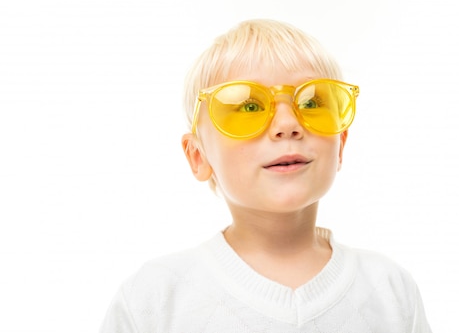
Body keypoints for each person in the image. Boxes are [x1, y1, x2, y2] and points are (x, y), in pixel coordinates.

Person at [100, 19, 432, 332]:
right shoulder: (154, 298)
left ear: (340, 144)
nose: (288, 124)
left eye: (313, 101)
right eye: (248, 106)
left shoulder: (389, 289)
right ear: (199, 156)